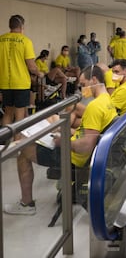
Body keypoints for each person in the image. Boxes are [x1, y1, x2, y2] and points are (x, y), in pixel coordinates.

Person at [3, 65, 118, 215]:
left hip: (73, 157)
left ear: (94, 80)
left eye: (83, 85)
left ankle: (27, 204)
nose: (82, 90)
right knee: (46, 129)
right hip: (79, 149)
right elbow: (88, 134)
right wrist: (65, 133)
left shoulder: (94, 107)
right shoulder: (107, 101)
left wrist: (62, 142)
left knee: (22, 149)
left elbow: (86, 146)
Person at [0, 15, 44, 131]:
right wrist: (39, 73)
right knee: (19, 116)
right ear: (22, 26)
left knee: (8, 112)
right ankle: (17, 145)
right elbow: (31, 66)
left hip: (4, 83)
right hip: (20, 83)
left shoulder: (1, 39)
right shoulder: (25, 41)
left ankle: (5, 144)